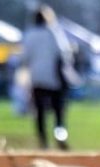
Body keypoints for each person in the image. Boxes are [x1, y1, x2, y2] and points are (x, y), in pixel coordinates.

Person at [19, 5, 79, 150]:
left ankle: (43, 142)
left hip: (37, 78)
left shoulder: (29, 35)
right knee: (58, 112)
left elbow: (25, 58)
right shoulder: (54, 32)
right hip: (55, 79)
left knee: (40, 112)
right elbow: (65, 54)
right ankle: (60, 135)